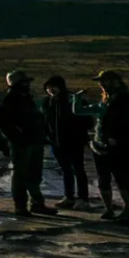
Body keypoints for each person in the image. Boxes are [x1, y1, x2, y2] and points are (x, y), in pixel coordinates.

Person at [86, 70, 129, 226]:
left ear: (115, 82)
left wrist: (118, 138)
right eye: (101, 82)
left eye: (104, 81)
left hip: (123, 147)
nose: (101, 85)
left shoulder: (124, 99)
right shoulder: (112, 99)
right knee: (126, 181)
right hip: (115, 145)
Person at [0, 71, 49, 216]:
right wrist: (18, 138)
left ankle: (37, 203)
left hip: (35, 141)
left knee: (34, 175)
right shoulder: (9, 100)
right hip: (22, 144)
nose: (28, 84)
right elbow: (4, 124)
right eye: (25, 82)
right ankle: (20, 206)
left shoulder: (26, 99)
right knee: (21, 176)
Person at [41, 76, 91, 206]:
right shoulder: (47, 103)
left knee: (78, 169)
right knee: (65, 169)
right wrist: (47, 136)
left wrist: (79, 135)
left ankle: (83, 198)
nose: (51, 90)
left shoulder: (73, 100)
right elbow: (44, 121)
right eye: (48, 88)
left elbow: (87, 121)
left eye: (53, 87)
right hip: (56, 142)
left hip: (74, 141)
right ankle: (69, 196)